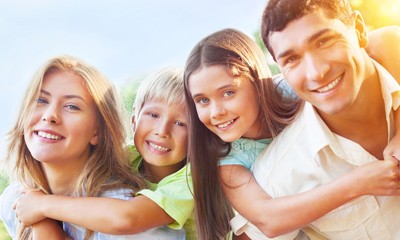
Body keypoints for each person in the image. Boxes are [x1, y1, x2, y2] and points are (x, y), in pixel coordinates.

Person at [183, 27, 400, 240]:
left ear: (257, 81)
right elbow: (268, 220)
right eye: (203, 100)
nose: (216, 112)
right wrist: (356, 184)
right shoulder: (227, 160)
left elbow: (387, 39)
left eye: (228, 92)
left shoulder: (289, 89)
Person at [233, 0, 400, 239]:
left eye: (324, 41)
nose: (315, 72)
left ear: (359, 31)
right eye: (291, 59)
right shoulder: (279, 176)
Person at [0, 56, 185, 239]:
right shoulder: (14, 200)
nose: (50, 115)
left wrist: (42, 214)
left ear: (98, 132)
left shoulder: (127, 221)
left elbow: (126, 218)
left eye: (72, 106)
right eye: (41, 100)